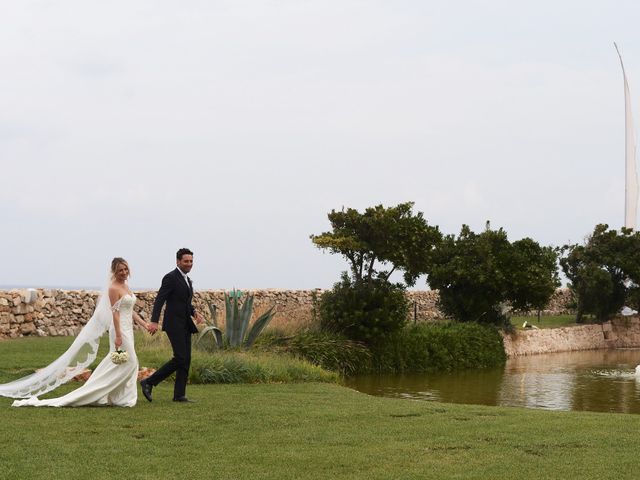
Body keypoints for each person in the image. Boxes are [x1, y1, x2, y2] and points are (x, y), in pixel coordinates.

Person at [0, 257, 151, 407]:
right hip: (119, 330)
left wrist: (144, 323)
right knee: (130, 362)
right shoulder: (113, 288)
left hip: (128, 329)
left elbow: (129, 310)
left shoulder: (126, 286)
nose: (124, 273)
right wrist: (118, 335)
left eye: (125, 269)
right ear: (114, 272)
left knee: (121, 362)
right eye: (120, 270)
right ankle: (107, 395)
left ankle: (118, 397)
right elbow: (115, 313)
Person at [140, 248, 204, 403]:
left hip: (185, 324)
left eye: (191, 261)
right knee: (181, 358)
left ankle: (179, 395)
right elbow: (160, 300)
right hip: (174, 324)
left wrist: (194, 312)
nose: (189, 264)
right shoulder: (170, 278)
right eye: (186, 261)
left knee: (186, 359)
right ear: (178, 261)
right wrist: (154, 321)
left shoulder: (187, 280)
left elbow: (185, 302)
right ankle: (148, 382)